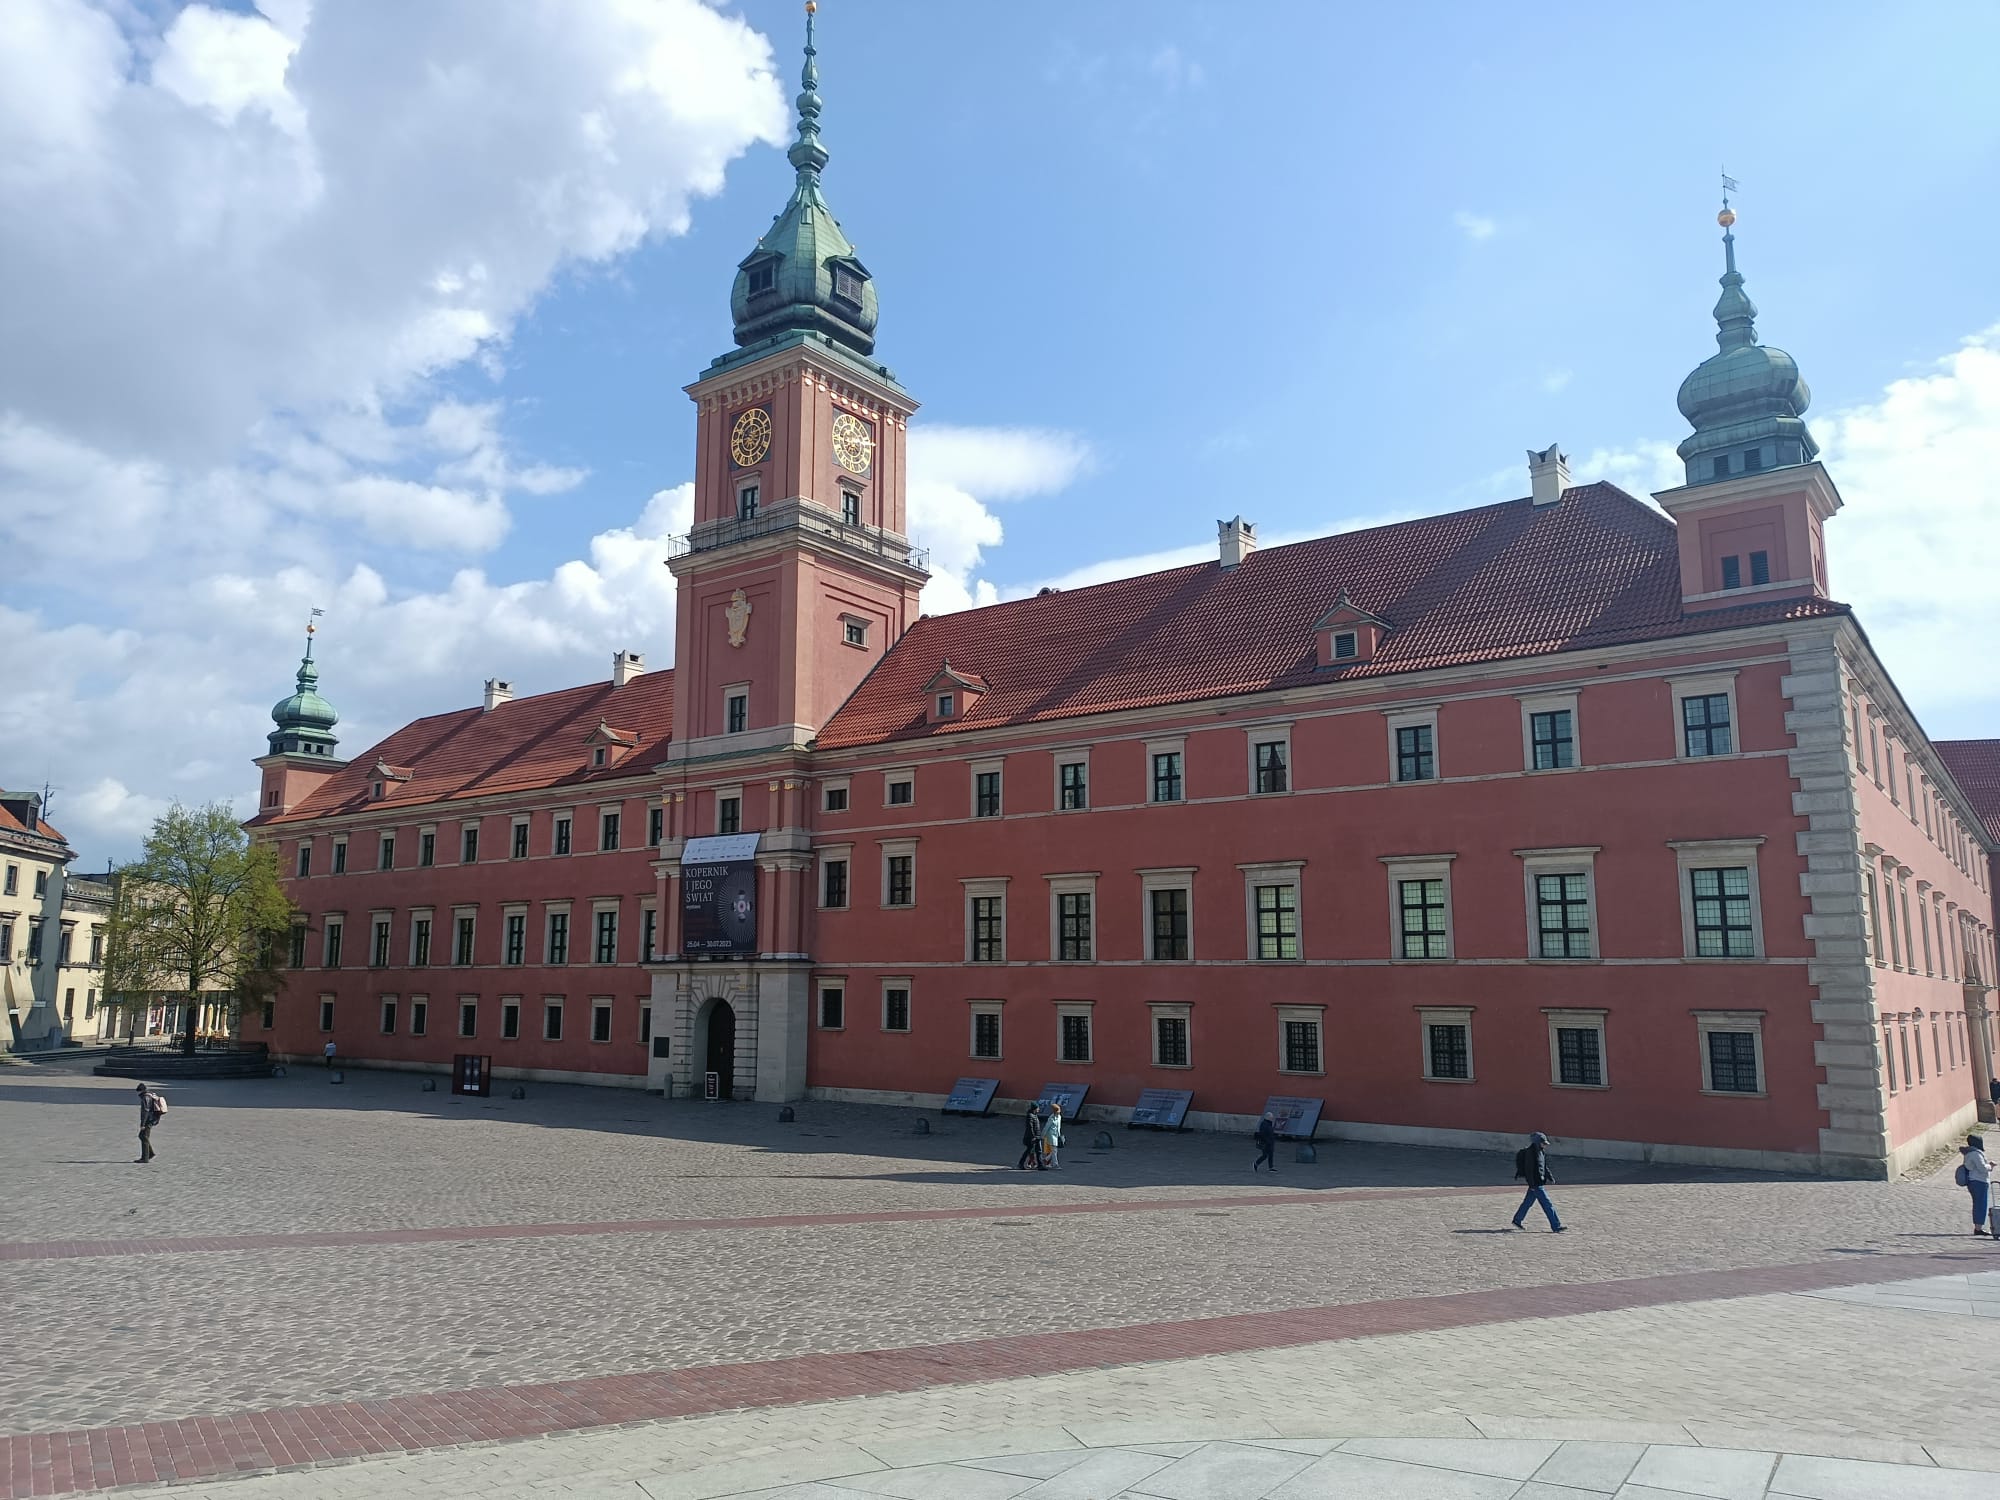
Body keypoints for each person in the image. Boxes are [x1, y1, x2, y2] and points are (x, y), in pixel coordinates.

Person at [1510, 1131, 1565, 1232]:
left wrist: (1550, 1176)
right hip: (1536, 1184)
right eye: (1543, 1143)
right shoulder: (1530, 1153)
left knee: (1527, 1203)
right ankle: (1556, 1226)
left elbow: (1544, 1166)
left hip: (1538, 1183)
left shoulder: (1541, 1151)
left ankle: (1517, 1220)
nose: (1545, 1145)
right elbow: (1529, 1170)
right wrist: (1531, 1184)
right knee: (1547, 1204)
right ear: (1537, 1142)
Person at [1961, 1134, 1992, 1236]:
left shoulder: (1968, 1153)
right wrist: (1990, 1166)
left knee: (1977, 1204)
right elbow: (1982, 1168)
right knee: (1981, 1205)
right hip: (1979, 1181)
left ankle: (1978, 1227)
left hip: (1972, 1181)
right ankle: (1978, 1228)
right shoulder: (1975, 1154)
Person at [135, 1083, 164, 1164]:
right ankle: (149, 1154)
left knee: (143, 1136)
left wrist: (143, 1124)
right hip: (153, 1118)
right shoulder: (151, 1095)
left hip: (149, 1120)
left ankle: (146, 1157)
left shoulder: (145, 1097)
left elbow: (145, 1111)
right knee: (143, 1136)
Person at [1017, 1104, 1044, 1171]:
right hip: (1032, 1137)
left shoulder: (1035, 1115)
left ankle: (1040, 1165)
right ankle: (1021, 1164)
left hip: (1037, 1136)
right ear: (1034, 1109)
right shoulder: (1030, 1116)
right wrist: (1033, 1137)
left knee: (1039, 1151)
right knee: (1029, 1150)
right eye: (1038, 1108)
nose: (1039, 1110)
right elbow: (1030, 1128)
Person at [1042, 1099, 1065, 1170]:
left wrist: (1059, 1135)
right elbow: (1046, 1127)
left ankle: (1046, 1159)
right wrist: (1042, 1135)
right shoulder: (1051, 1118)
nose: (1059, 1112)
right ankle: (1056, 1164)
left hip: (1056, 1136)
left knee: (1054, 1150)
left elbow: (1059, 1127)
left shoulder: (1059, 1117)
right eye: (1057, 1111)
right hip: (1051, 1136)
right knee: (1054, 1151)